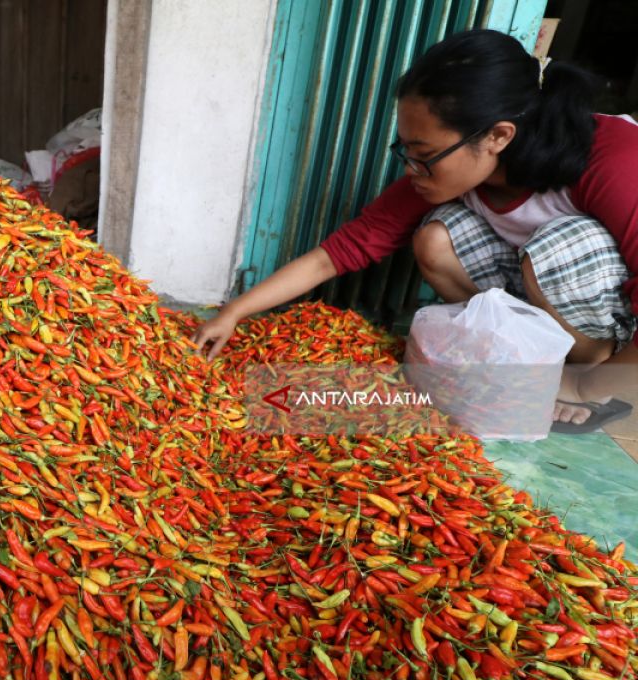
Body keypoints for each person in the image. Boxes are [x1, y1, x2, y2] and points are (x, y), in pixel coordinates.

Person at [193, 30, 638, 433]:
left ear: (499, 136)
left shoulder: (614, 159)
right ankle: (529, 356)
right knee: (435, 236)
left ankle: (585, 371)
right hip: (548, 293)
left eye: (423, 153)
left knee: (553, 249)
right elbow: (340, 252)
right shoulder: (451, 166)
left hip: (610, 313)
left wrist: (591, 385)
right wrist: (236, 312)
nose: (411, 168)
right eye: (405, 150)